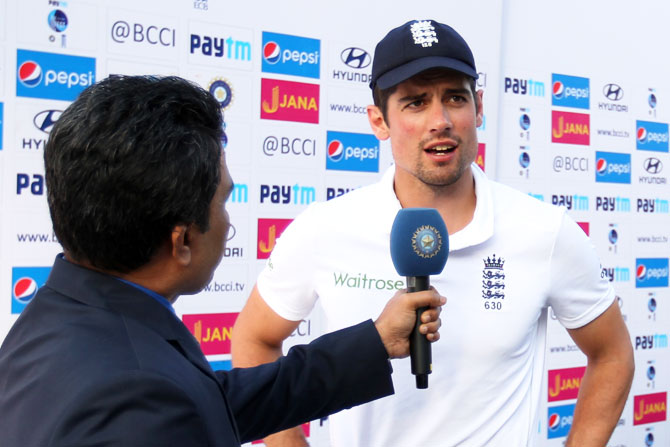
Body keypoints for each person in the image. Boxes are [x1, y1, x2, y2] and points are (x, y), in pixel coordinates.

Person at [231, 19, 634, 447]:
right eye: (415, 102)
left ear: (478, 107)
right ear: (378, 120)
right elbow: (255, 337)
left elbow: (612, 354)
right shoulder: (323, 228)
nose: (440, 120)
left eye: (455, 98)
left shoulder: (545, 231)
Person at [0, 75, 446, 447]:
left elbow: (210, 403)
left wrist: (373, 342)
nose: (228, 221)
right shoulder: (138, 405)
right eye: (224, 201)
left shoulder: (57, 320)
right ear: (183, 241)